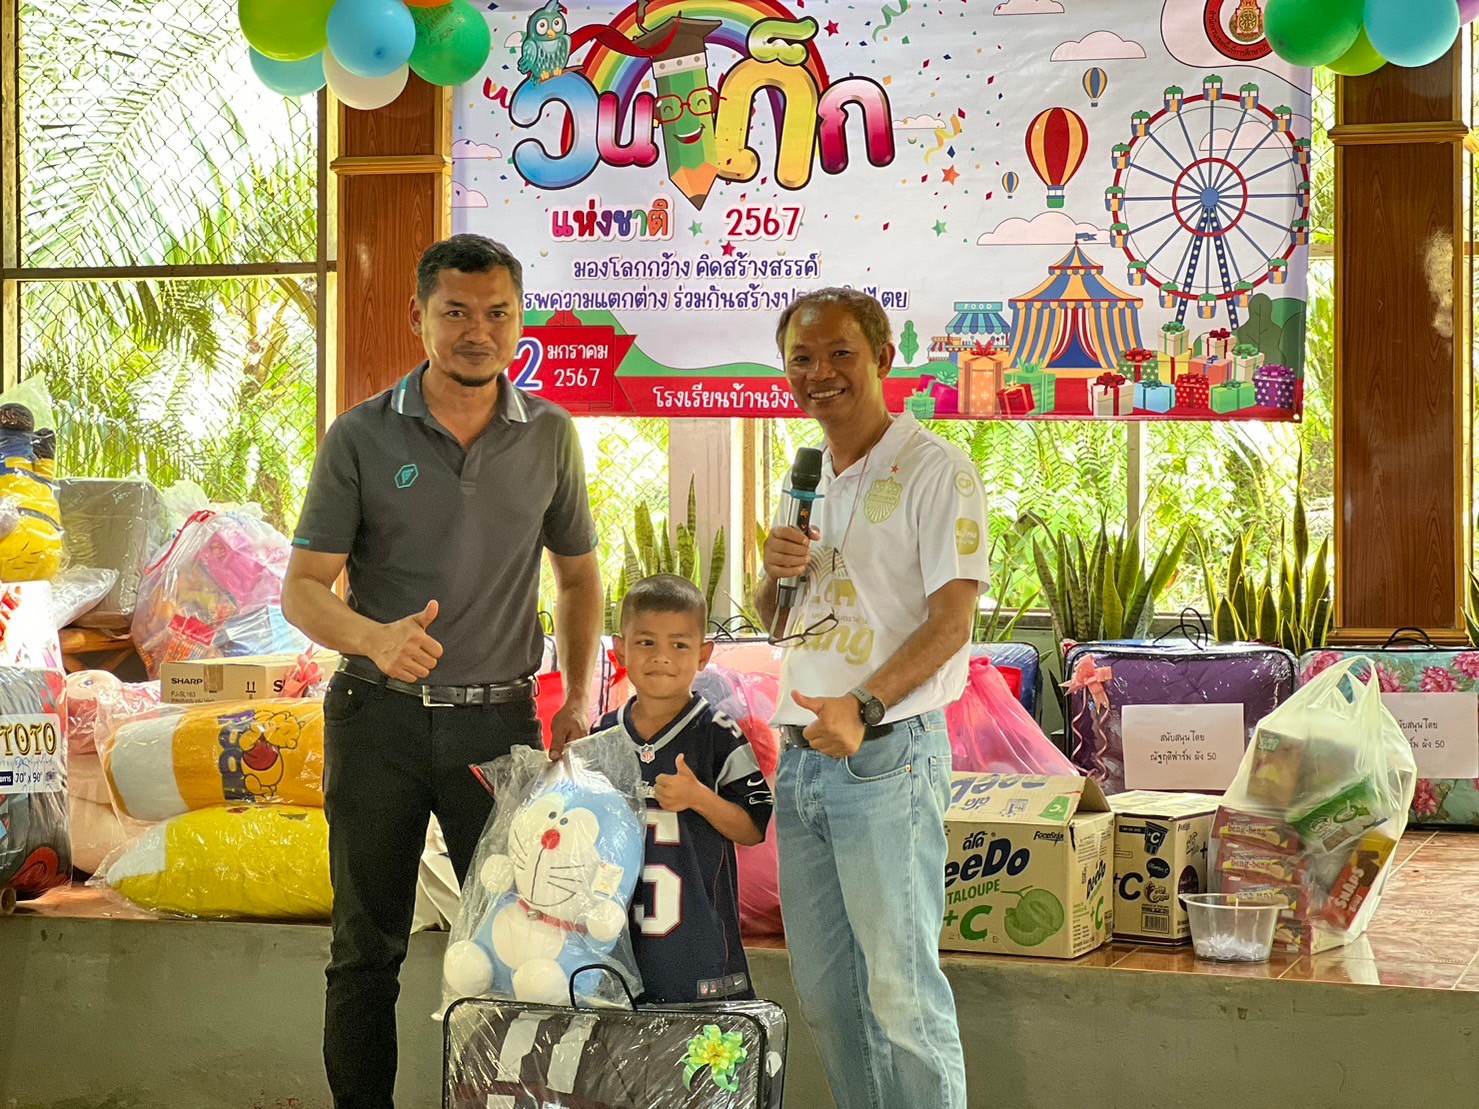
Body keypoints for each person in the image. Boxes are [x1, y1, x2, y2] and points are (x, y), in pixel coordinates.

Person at [281, 233, 603, 1109]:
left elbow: (579, 578)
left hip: (498, 729)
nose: (477, 331)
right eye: (455, 311)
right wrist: (373, 638)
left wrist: (579, 696)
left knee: (519, 950)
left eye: (497, 313)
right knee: (365, 951)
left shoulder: (551, 436)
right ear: (417, 317)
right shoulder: (359, 435)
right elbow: (303, 590)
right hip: (375, 717)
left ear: (519, 320)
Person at [753, 288, 989, 1109]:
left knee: (899, 995)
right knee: (829, 999)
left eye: (838, 354)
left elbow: (951, 621)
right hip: (801, 760)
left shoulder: (935, 468)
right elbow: (775, 620)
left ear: (883, 358)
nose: (819, 373)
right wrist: (772, 574)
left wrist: (863, 705)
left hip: (886, 757)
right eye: (801, 358)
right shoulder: (806, 475)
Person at [598, 574, 773, 1003]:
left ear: (703, 655)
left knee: (705, 1044)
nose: (662, 657)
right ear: (620, 649)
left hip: (698, 947)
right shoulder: (601, 734)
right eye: (646, 642)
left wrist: (699, 798)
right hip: (615, 943)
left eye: (679, 645)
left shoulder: (718, 733)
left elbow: (754, 828)